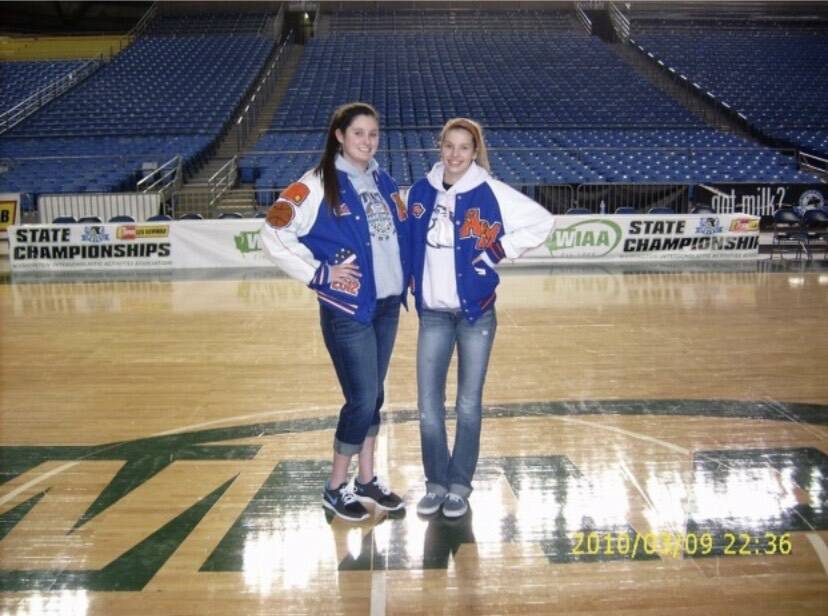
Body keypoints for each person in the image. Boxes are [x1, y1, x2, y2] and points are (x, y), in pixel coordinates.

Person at [260, 102, 410, 522]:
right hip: (348, 309)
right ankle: (334, 487)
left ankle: (366, 480)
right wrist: (319, 274)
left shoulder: (383, 179)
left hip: (386, 305)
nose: (367, 141)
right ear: (340, 136)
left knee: (374, 396)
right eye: (358, 133)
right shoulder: (315, 184)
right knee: (361, 399)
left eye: (373, 134)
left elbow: (395, 237)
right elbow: (273, 232)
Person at [407, 118, 554, 518]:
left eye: (464, 148)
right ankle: (435, 482)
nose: (455, 155)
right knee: (428, 406)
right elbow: (405, 244)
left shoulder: (492, 191)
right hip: (433, 315)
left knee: (468, 403)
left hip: (477, 314)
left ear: (475, 153)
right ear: (440, 147)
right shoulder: (420, 192)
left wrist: (495, 252)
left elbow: (543, 221)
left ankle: (459, 485)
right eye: (449, 146)